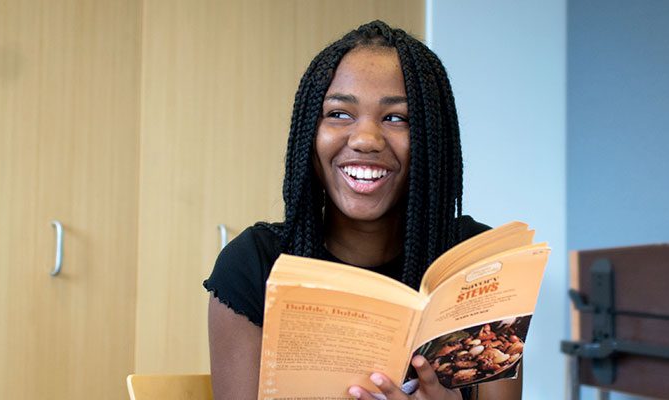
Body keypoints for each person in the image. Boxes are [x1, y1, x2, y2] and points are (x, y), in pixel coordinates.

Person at [204, 20, 522, 400]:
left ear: (431, 139)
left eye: (396, 118)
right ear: (309, 132)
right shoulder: (254, 264)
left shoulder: (481, 264)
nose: (366, 139)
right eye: (339, 114)